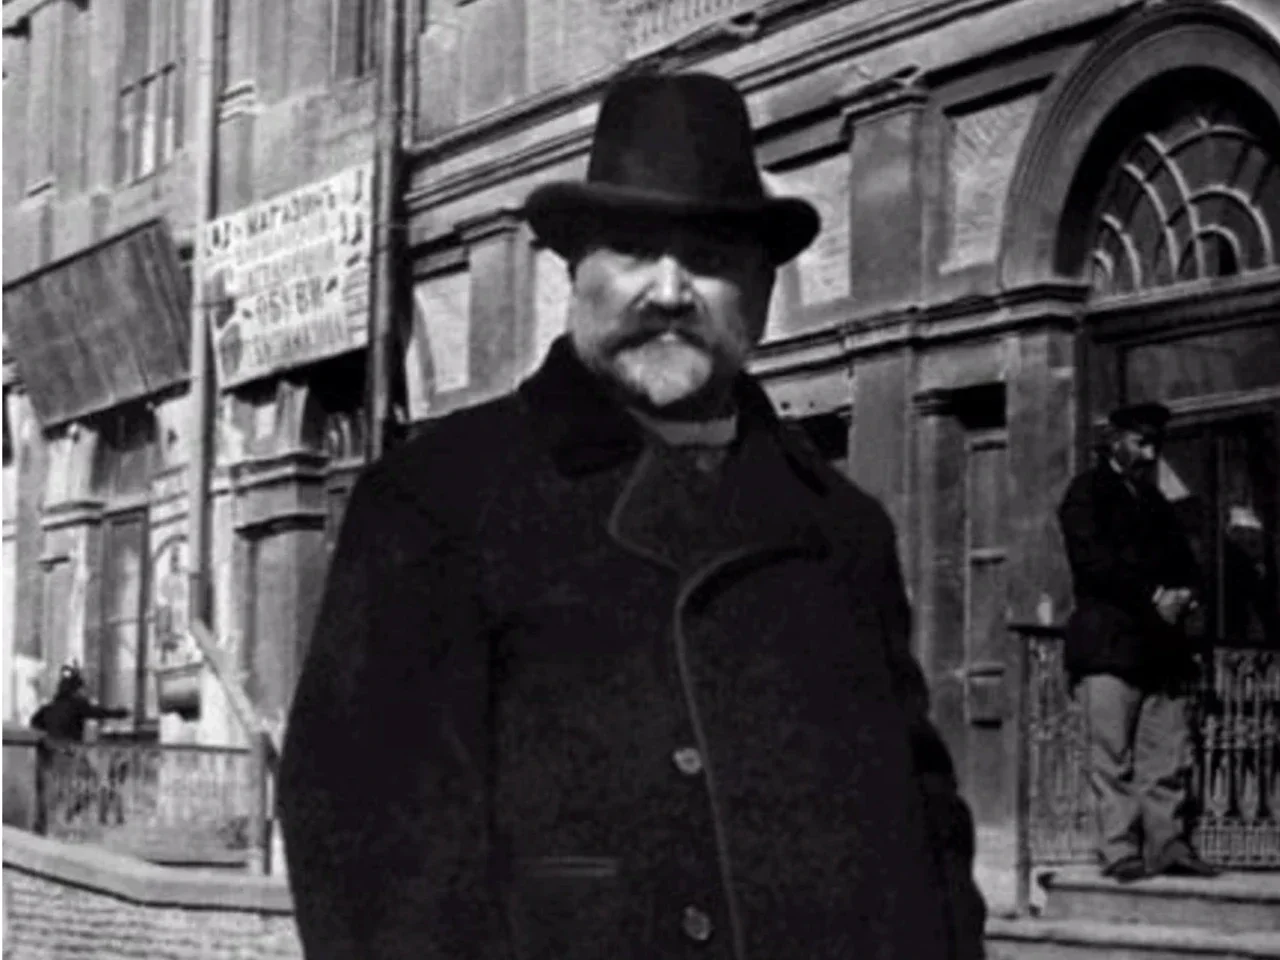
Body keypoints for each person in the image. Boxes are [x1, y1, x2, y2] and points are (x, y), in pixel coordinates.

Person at [279, 72, 986, 960]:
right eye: (633, 249)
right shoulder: (436, 502)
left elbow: (922, 839)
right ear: (575, 273)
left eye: (709, 257)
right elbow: (368, 853)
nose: (669, 290)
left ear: (763, 293)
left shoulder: (842, 531)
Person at [1057, 401, 1219, 883]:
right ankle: (1120, 851)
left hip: (1161, 651)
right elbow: (1094, 566)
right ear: (1114, 440)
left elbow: (1187, 562)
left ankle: (1168, 846)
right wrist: (1154, 597)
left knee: (1165, 755)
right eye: (1141, 442)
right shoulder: (1085, 494)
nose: (1150, 454)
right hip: (1108, 647)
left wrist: (1187, 594)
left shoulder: (1156, 503)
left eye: (1155, 444)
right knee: (1112, 757)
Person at [29, 664, 129, 741]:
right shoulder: (77, 705)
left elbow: (34, 722)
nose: (84, 693)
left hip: (53, 752)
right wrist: (119, 713)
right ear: (75, 690)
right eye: (82, 690)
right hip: (71, 751)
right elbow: (98, 712)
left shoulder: (48, 708)